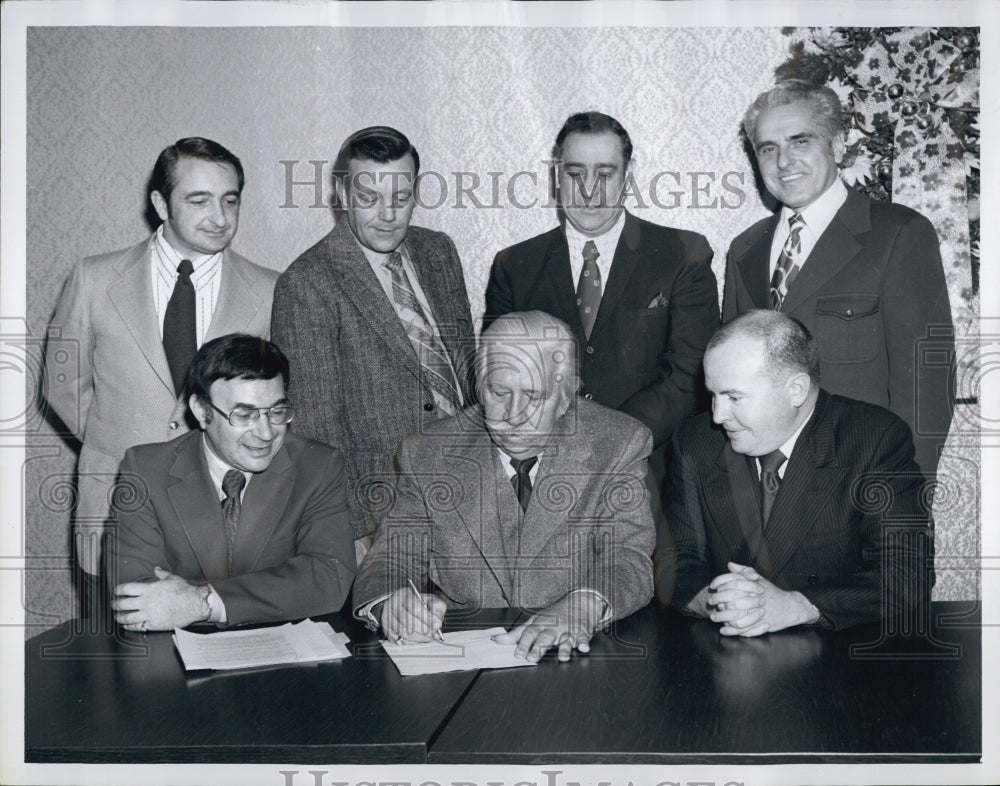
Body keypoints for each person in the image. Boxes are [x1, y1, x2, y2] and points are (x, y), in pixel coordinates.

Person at [44, 137, 278, 613]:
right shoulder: (93, 278)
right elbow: (62, 386)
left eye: (229, 200)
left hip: (227, 526)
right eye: (199, 200)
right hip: (114, 511)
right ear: (160, 203)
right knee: (116, 671)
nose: (219, 216)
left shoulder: (270, 290)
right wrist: (124, 442)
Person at [354, 311, 655, 662]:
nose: (514, 414)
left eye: (534, 395)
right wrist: (392, 601)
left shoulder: (618, 443)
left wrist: (584, 605)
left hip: (576, 654)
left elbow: (628, 557)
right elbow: (390, 560)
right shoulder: (427, 453)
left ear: (566, 398)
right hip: (464, 660)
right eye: (499, 392)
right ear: (480, 390)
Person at [723, 80, 954, 480]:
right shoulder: (744, 249)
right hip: (764, 493)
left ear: (839, 144)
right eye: (768, 149)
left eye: (800, 142)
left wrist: (902, 499)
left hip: (861, 489)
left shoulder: (898, 233)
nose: (783, 162)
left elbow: (927, 387)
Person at [656, 310, 933, 635]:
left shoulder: (874, 439)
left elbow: (906, 571)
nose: (718, 416)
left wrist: (797, 606)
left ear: (796, 390)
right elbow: (674, 559)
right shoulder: (695, 440)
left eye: (734, 397)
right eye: (713, 395)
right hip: (726, 653)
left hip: (836, 656)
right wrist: (716, 600)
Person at [272, 126, 475, 557]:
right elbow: (316, 430)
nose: (388, 214)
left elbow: (465, 370)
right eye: (369, 198)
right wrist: (362, 535)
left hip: (473, 492)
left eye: (401, 198)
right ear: (342, 196)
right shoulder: (307, 282)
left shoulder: (439, 252)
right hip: (387, 515)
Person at [485, 111, 719, 485]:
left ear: (628, 176)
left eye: (606, 174)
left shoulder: (682, 255)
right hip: (545, 475)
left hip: (653, 475)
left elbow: (689, 376)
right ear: (555, 176)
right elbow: (498, 376)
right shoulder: (515, 266)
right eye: (576, 174)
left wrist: (608, 443)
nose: (590, 190)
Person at [109, 334, 355, 631]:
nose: (266, 433)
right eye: (245, 414)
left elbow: (329, 577)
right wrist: (277, 591)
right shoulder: (145, 470)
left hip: (285, 654)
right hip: (178, 651)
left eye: (277, 412)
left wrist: (201, 602)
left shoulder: (318, 466)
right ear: (202, 411)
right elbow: (136, 597)